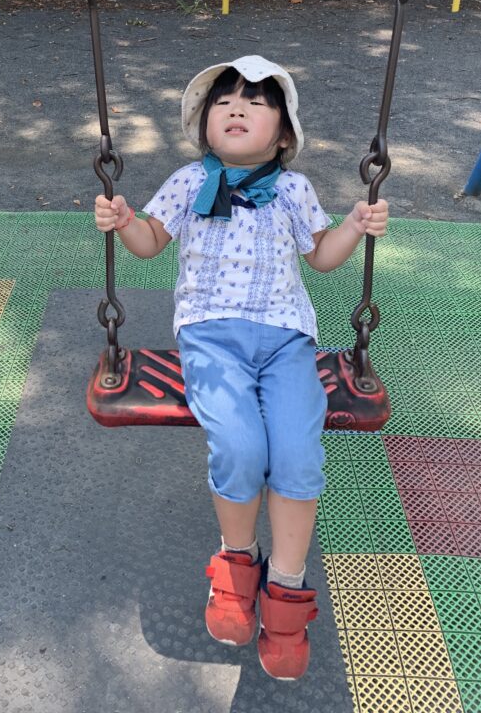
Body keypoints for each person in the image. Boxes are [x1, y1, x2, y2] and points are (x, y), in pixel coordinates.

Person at [94, 55, 388, 680]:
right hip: (210, 338)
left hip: (287, 341)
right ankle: (236, 560)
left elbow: (321, 257)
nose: (235, 109)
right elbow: (150, 243)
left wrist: (355, 226)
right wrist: (124, 222)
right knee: (240, 446)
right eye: (223, 102)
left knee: (298, 454)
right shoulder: (186, 182)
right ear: (205, 125)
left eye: (255, 102)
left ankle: (287, 585)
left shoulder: (294, 189)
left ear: (282, 135)